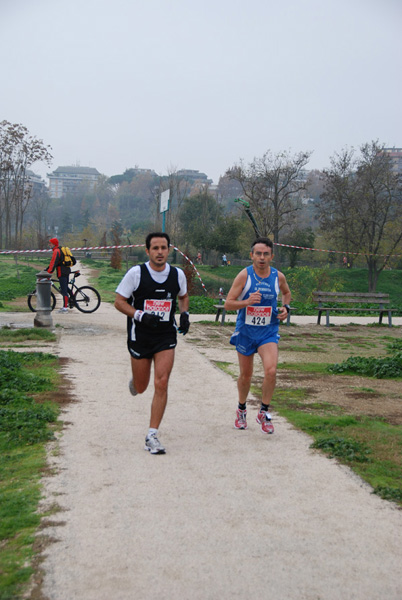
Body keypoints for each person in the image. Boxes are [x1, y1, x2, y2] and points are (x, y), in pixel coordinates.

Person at [114, 232, 190, 455]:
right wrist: (139, 315)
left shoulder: (178, 274)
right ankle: (136, 381)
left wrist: (184, 314)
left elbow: (183, 296)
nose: (160, 252)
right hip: (141, 335)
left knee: (162, 382)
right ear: (147, 251)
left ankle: (152, 435)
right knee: (142, 386)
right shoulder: (136, 273)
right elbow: (119, 302)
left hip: (165, 336)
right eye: (155, 248)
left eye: (163, 248)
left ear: (169, 250)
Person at [224, 237, 291, 434]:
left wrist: (286, 308)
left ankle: (264, 412)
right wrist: (246, 302)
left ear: (272, 256)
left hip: (268, 332)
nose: (262, 258)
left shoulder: (278, 277)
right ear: (252, 255)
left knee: (271, 371)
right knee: (246, 375)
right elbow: (228, 303)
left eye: (266, 254)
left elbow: (286, 293)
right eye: (258, 254)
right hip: (246, 331)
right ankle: (242, 409)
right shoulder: (244, 276)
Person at [46, 237, 73, 313]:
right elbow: (54, 263)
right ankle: (72, 298)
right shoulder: (59, 250)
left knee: (64, 290)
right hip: (66, 271)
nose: (49, 245)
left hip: (62, 272)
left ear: (54, 244)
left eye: (50, 243)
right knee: (64, 287)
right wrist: (47, 269)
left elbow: (53, 263)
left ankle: (65, 308)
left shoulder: (56, 251)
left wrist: (49, 272)